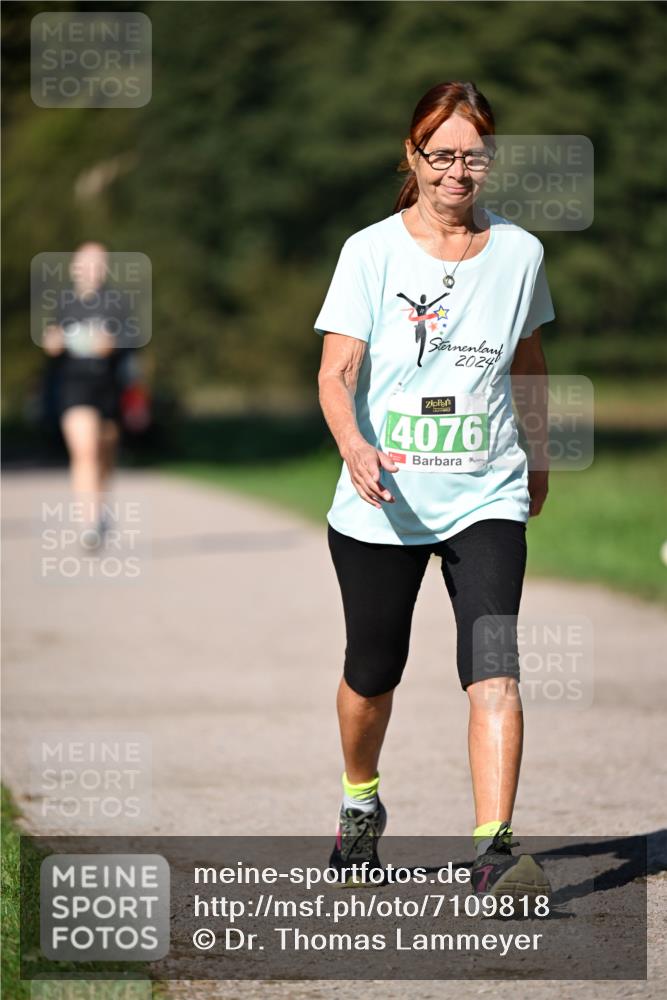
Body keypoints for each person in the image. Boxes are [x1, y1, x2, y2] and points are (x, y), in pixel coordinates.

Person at [314, 81, 555, 897]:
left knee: (495, 666)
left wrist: (541, 458)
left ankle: (494, 852)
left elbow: (527, 362)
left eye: (472, 155)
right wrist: (353, 445)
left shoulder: (521, 254)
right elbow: (334, 372)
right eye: (441, 153)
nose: (458, 170)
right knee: (371, 672)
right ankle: (359, 804)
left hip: (485, 493)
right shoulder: (370, 251)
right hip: (383, 499)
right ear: (410, 157)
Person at [41, 242, 128, 545]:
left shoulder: (116, 303)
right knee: (85, 450)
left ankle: (101, 508)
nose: (92, 269)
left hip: (107, 387)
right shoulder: (63, 302)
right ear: (74, 267)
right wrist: (52, 342)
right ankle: (87, 522)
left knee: (104, 454)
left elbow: (127, 344)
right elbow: (51, 340)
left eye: (98, 263)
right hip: (73, 385)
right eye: (87, 263)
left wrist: (110, 343)